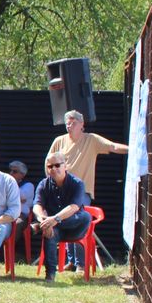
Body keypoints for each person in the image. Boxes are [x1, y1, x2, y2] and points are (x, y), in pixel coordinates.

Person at [46, 110, 125, 269]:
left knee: (76, 220)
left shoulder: (91, 140)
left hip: (82, 191)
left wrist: (135, 150)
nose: (69, 125)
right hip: (61, 191)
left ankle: (81, 264)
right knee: (64, 220)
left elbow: (113, 146)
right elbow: (48, 163)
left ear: (82, 124)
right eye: (67, 122)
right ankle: (71, 261)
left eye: (73, 122)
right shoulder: (59, 141)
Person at [31, 156, 90, 282]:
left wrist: (54, 220)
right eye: (50, 166)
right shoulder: (43, 184)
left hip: (75, 227)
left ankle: (40, 227)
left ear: (65, 166)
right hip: (55, 229)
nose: (53, 169)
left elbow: (74, 207)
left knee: (85, 216)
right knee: (49, 234)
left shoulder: (77, 183)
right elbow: (37, 206)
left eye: (57, 165)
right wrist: (43, 220)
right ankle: (50, 275)